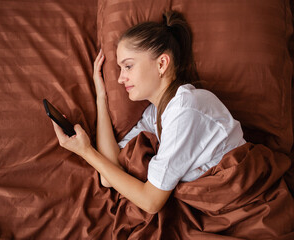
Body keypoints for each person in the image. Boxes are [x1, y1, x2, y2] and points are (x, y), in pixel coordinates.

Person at [50, 11, 246, 214]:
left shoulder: (186, 110)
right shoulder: (155, 114)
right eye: (120, 69)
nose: (120, 79)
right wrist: (100, 97)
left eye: (128, 66)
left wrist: (85, 151)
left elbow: (150, 202)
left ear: (161, 63)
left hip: (239, 197)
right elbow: (108, 176)